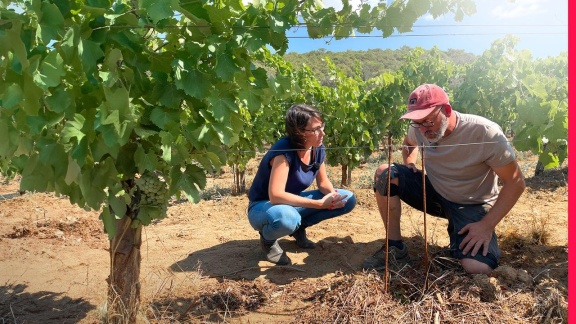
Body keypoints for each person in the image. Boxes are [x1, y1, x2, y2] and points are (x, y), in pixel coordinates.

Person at [362, 84, 526, 274]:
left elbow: (516, 182)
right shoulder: (419, 128)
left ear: (446, 110)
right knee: (386, 173)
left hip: (471, 204)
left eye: (429, 122)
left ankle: (462, 229)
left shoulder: (485, 132)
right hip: (434, 193)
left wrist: (486, 226)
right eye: (417, 122)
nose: (423, 129)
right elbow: (409, 143)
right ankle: (395, 247)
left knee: (477, 267)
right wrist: (410, 163)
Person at [248, 104, 357, 265]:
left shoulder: (316, 148)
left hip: (290, 203)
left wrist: (333, 196)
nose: (323, 133)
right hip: (264, 207)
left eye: (322, 126)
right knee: (286, 218)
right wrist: (319, 204)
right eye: (316, 129)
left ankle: (298, 229)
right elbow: (276, 195)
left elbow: (323, 182)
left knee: (347, 198)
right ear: (299, 132)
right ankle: (268, 239)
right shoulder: (284, 151)